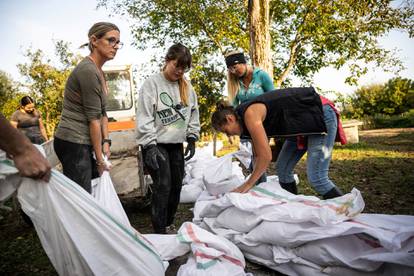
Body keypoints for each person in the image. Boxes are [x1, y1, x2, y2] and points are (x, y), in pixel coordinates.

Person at [211, 87, 347, 199]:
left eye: (226, 131)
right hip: (299, 123)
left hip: (319, 112)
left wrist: (246, 185)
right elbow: (257, 156)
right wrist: (257, 187)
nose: (229, 135)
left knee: (317, 178)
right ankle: (293, 206)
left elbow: (265, 157)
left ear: (230, 119)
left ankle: (347, 212)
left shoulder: (250, 114)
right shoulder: (243, 121)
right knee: (283, 169)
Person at [136, 43, 200, 234]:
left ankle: (168, 223)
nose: (180, 71)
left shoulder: (187, 87)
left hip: (175, 145)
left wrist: (192, 136)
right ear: (167, 61)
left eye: (184, 68)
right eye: (177, 66)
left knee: (176, 185)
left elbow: (194, 112)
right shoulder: (152, 84)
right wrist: (149, 145)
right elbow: (145, 116)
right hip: (156, 144)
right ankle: (158, 230)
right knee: (163, 185)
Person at [54, 22, 122, 193]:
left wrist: (106, 141)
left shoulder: (99, 71)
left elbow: (103, 112)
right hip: (73, 141)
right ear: (94, 40)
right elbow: (93, 120)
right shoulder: (87, 71)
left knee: (91, 194)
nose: (116, 46)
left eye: (118, 42)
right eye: (111, 40)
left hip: (85, 141)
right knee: (82, 197)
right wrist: (99, 161)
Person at [225, 50, 275, 183]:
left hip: (264, 122)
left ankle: (260, 185)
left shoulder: (261, 76)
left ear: (243, 62)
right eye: (231, 69)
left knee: (260, 154)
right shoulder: (235, 82)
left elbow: (274, 98)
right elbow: (234, 106)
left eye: (235, 67)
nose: (234, 71)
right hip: (248, 124)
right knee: (254, 155)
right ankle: (260, 185)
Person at [0, 113, 51, 182]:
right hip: (26, 141)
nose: (31, 109)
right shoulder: (16, 115)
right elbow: (14, 127)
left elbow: (41, 127)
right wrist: (22, 149)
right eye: (29, 107)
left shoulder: (36, 113)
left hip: (37, 140)